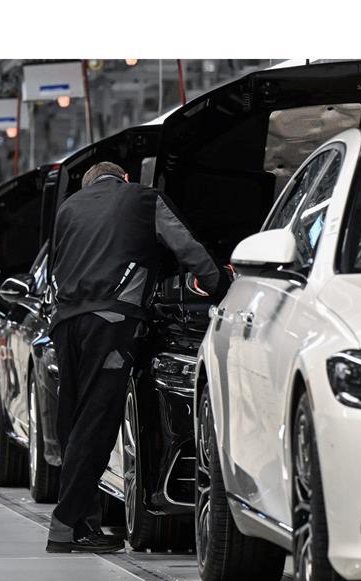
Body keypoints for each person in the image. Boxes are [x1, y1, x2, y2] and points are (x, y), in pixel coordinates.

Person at [45, 161, 226, 553]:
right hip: (111, 321)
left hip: (65, 323)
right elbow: (186, 246)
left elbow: (56, 265)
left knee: (74, 423)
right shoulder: (144, 198)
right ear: (126, 178)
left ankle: (81, 525)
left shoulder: (69, 207)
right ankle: (63, 525)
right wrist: (219, 285)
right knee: (97, 421)